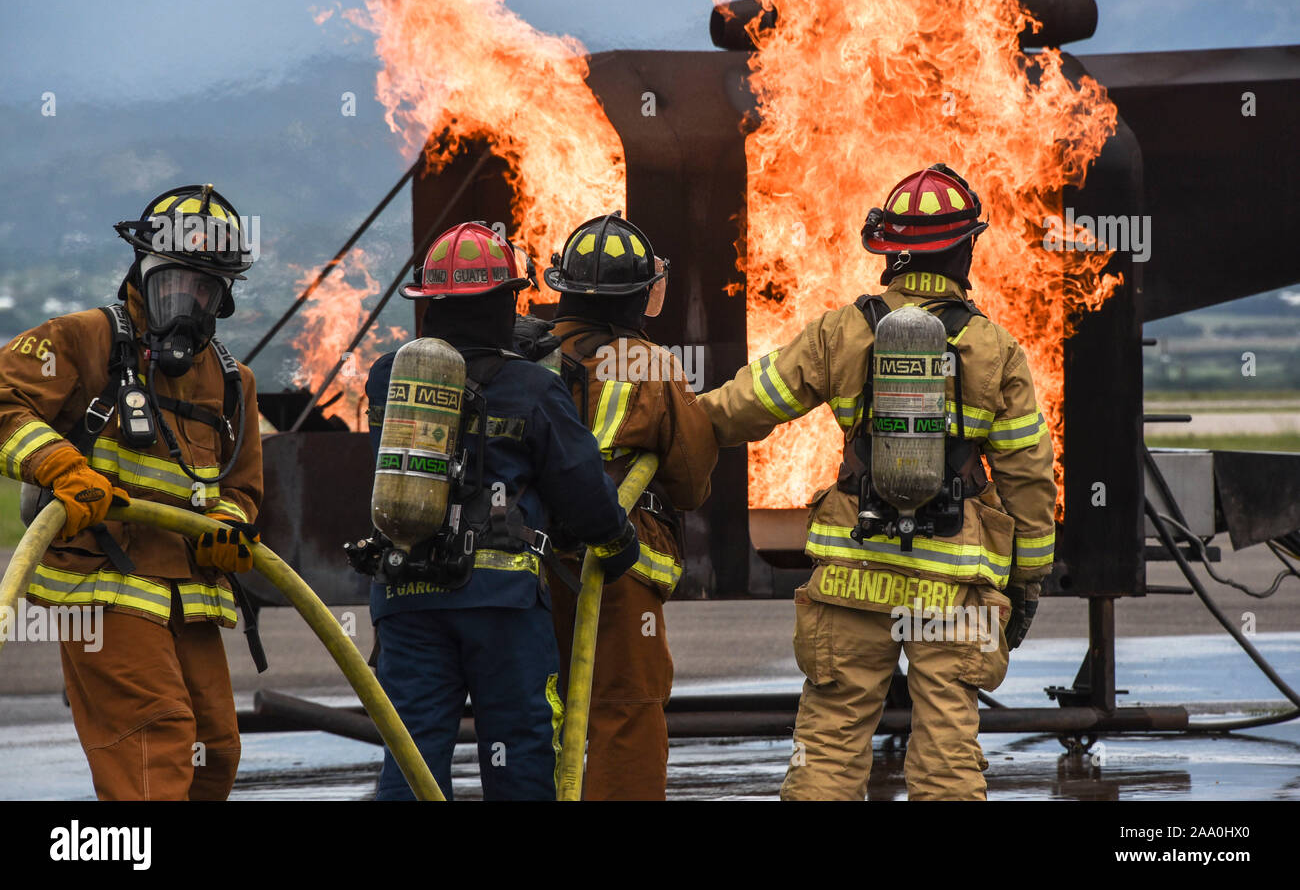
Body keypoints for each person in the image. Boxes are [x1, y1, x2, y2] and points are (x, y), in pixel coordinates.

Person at [699, 165, 1057, 800]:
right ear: (964, 248)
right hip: (952, 591)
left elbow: (745, 406)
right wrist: (1027, 579)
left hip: (852, 575)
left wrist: (667, 421)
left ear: (890, 250)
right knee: (948, 751)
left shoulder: (842, 332)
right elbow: (1027, 481)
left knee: (829, 747)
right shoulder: (995, 350)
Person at [0, 183, 264, 800]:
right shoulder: (80, 341)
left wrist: (229, 530)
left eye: (205, 289)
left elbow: (243, 490)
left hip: (189, 600)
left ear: (222, 298)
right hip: (103, 588)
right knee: (158, 739)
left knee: (215, 751)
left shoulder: (232, 382)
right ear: (142, 271)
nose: (187, 302)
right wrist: (62, 466)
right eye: (175, 281)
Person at [360, 221, 639, 800]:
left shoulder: (388, 378)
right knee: (517, 757)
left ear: (429, 303)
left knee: (411, 759)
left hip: (405, 599)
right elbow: (581, 488)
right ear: (505, 300)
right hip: (501, 605)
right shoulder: (534, 388)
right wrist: (617, 546)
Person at [543, 212, 717, 800]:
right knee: (625, 713)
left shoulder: (525, 359)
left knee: (539, 713)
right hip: (617, 569)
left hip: (527, 570)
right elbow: (691, 482)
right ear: (640, 296)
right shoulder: (649, 366)